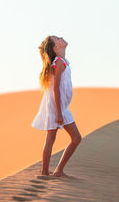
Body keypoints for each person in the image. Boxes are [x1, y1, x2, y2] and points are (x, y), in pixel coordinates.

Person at [31, 35, 82, 177]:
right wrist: (59, 113)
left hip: (62, 107)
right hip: (56, 106)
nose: (62, 37)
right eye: (58, 38)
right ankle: (45, 173)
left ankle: (58, 171)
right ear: (56, 47)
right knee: (52, 137)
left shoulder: (62, 62)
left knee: (75, 138)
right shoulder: (59, 62)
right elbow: (56, 88)